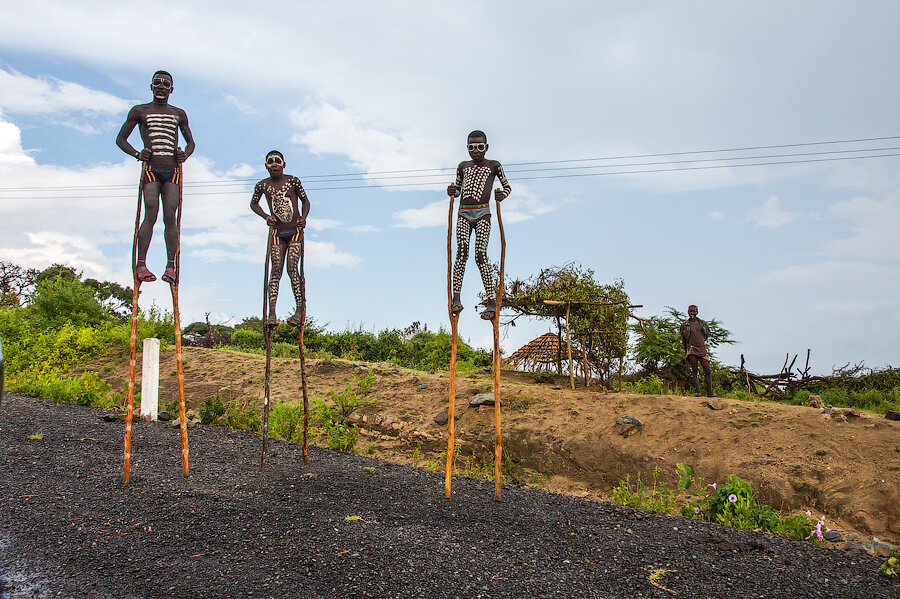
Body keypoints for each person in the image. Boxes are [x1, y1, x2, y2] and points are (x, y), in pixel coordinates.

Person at [116, 70, 195, 284]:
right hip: (151, 169)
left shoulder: (179, 113)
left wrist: (184, 155)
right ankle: (141, 264)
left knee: (170, 215)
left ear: (172, 89)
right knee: (150, 212)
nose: (161, 86)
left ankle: (171, 266)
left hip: (172, 171)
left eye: (165, 83)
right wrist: (136, 153)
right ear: (151, 86)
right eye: (157, 83)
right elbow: (121, 139)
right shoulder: (140, 111)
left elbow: (191, 143)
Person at [446, 130, 511, 320]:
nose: (475, 151)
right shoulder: (462, 167)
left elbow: (507, 187)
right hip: (463, 214)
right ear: (467, 148)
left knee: (480, 255)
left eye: (480, 147)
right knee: (461, 253)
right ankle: (456, 299)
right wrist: (453, 191)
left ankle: (491, 301)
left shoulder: (494, 166)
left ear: (486, 148)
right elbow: (458, 188)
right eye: (471, 147)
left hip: (483, 213)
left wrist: (502, 195)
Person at [250, 150, 310, 327]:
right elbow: (253, 203)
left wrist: (303, 218)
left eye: (277, 161)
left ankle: (299, 310)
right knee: (276, 269)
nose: (274, 164)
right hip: (277, 232)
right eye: (270, 162)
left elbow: (306, 201)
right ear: (266, 166)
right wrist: (266, 216)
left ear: (284, 164)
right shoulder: (262, 185)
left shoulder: (293, 181)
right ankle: (272, 313)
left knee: (292, 269)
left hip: (294, 231)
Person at [680, 304, 713, 397]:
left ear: (697, 312)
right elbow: (683, 339)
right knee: (694, 371)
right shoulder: (684, 325)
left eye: (693, 312)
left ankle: (710, 392)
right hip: (691, 349)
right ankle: (699, 392)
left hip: (702, 349)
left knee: (707, 370)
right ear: (688, 312)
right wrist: (686, 351)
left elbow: (707, 335)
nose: (692, 314)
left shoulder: (702, 323)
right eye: (690, 312)